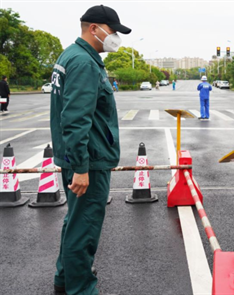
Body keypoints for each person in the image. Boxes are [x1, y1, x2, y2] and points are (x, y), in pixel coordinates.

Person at [49, 5, 131, 295]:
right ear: (94, 28)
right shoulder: (84, 62)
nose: (115, 37)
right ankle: (81, 289)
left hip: (79, 157)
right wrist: (82, 167)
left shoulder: (72, 55)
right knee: (84, 229)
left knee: (75, 222)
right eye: (113, 31)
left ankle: (64, 279)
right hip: (88, 160)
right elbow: (75, 120)